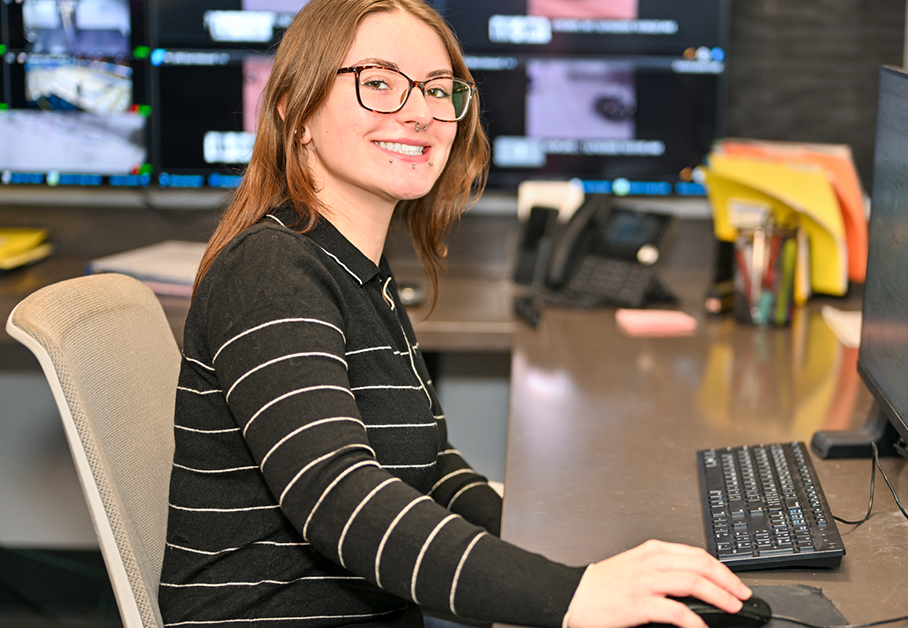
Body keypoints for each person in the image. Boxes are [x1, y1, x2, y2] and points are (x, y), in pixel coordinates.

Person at [159, 0, 751, 627]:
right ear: (294, 110)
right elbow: (338, 497)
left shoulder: (354, 269)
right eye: (378, 83)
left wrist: (555, 554)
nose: (419, 114)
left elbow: (427, 463)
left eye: (439, 91)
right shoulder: (269, 271)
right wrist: (572, 597)